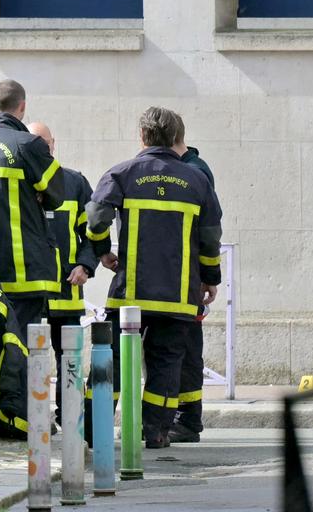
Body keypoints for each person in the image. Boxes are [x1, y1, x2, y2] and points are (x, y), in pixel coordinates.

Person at [86, 107, 223, 449]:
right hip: (176, 298)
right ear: (177, 139)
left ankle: (93, 430)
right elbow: (210, 238)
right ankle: (156, 432)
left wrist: (103, 250)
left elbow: (95, 217)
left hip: (130, 293)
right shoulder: (197, 181)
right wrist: (210, 278)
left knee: (112, 360)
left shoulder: (123, 173)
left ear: (143, 137)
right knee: (165, 366)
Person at [0, 80, 64, 328]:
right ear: (22, 106)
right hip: (25, 271)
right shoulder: (29, 144)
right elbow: (57, 195)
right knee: (20, 349)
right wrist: (35, 193)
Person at [27, 120, 105, 421]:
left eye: (43, 143)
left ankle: (68, 416)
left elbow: (91, 233)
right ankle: (32, 416)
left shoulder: (74, 183)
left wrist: (86, 265)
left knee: (68, 358)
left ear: (53, 144)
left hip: (66, 291)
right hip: (29, 291)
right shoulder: (19, 186)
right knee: (28, 357)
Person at [170, 118, 216, 443]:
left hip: (188, 277)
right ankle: (180, 416)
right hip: (177, 276)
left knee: (186, 350)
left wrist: (207, 275)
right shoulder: (188, 168)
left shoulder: (194, 171)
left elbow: (207, 229)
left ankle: (187, 419)